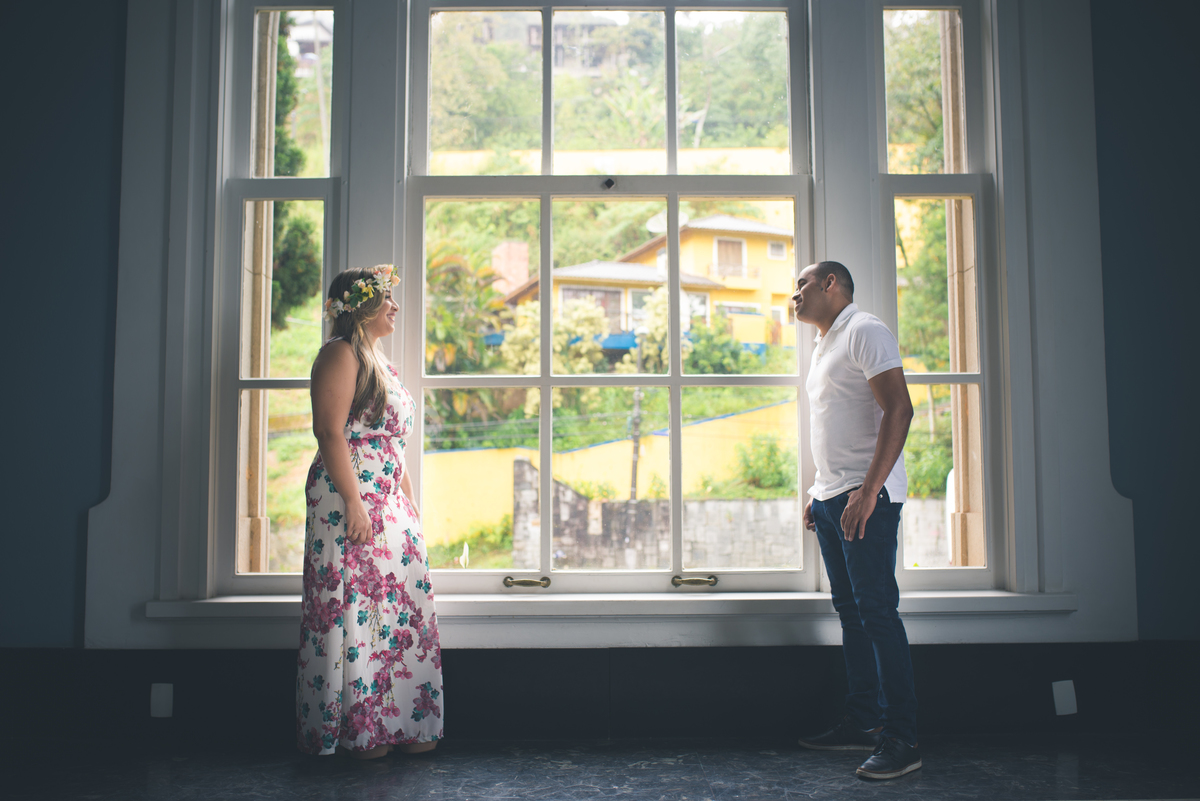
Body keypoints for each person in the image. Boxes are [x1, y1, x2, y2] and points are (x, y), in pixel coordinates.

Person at [296, 265, 443, 759]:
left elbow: (392, 442)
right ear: (361, 305)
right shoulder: (339, 354)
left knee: (395, 607)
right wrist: (354, 501)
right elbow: (329, 431)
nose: (395, 307)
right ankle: (359, 728)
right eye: (386, 299)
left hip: (388, 501)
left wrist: (408, 500)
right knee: (355, 606)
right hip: (349, 499)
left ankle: (402, 721)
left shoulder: (378, 360)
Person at [791, 261, 920, 780]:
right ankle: (863, 720)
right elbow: (835, 424)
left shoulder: (865, 329)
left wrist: (868, 491)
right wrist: (817, 492)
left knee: (877, 613)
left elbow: (900, 410)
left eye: (801, 286)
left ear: (830, 284)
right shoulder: (824, 344)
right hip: (831, 497)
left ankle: (903, 739)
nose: (794, 296)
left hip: (867, 498)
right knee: (851, 613)